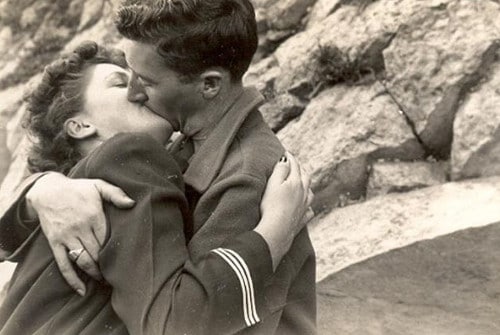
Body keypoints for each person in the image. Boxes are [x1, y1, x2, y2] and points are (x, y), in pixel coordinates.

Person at [0, 0, 317, 333]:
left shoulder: (244, 175)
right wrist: (41, 188)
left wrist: (272, 237)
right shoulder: (148, 153)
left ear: (209, 84)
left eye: (144, 81)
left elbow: (178, 322)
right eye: (125, 80)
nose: (136, 92)